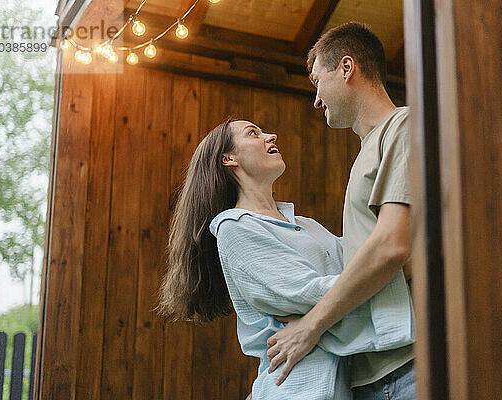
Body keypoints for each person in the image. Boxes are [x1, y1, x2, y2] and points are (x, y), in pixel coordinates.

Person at [157, 118, 414, 399]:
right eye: (253, 134)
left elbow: (358, 264)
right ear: (228, 159)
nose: (271, 135)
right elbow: (310, 292)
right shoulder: (235, 228)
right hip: (293, 389)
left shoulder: (307, 226)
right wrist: (386, 266)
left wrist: (312, 321)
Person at [265, 22, 416, 399]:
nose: (316, 100)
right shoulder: (366, 151)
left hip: (410, 365)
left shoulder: (404, 125)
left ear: (347, 68)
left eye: (317, 81)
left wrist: (310, 326)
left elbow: (391, 246)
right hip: (368, 372)